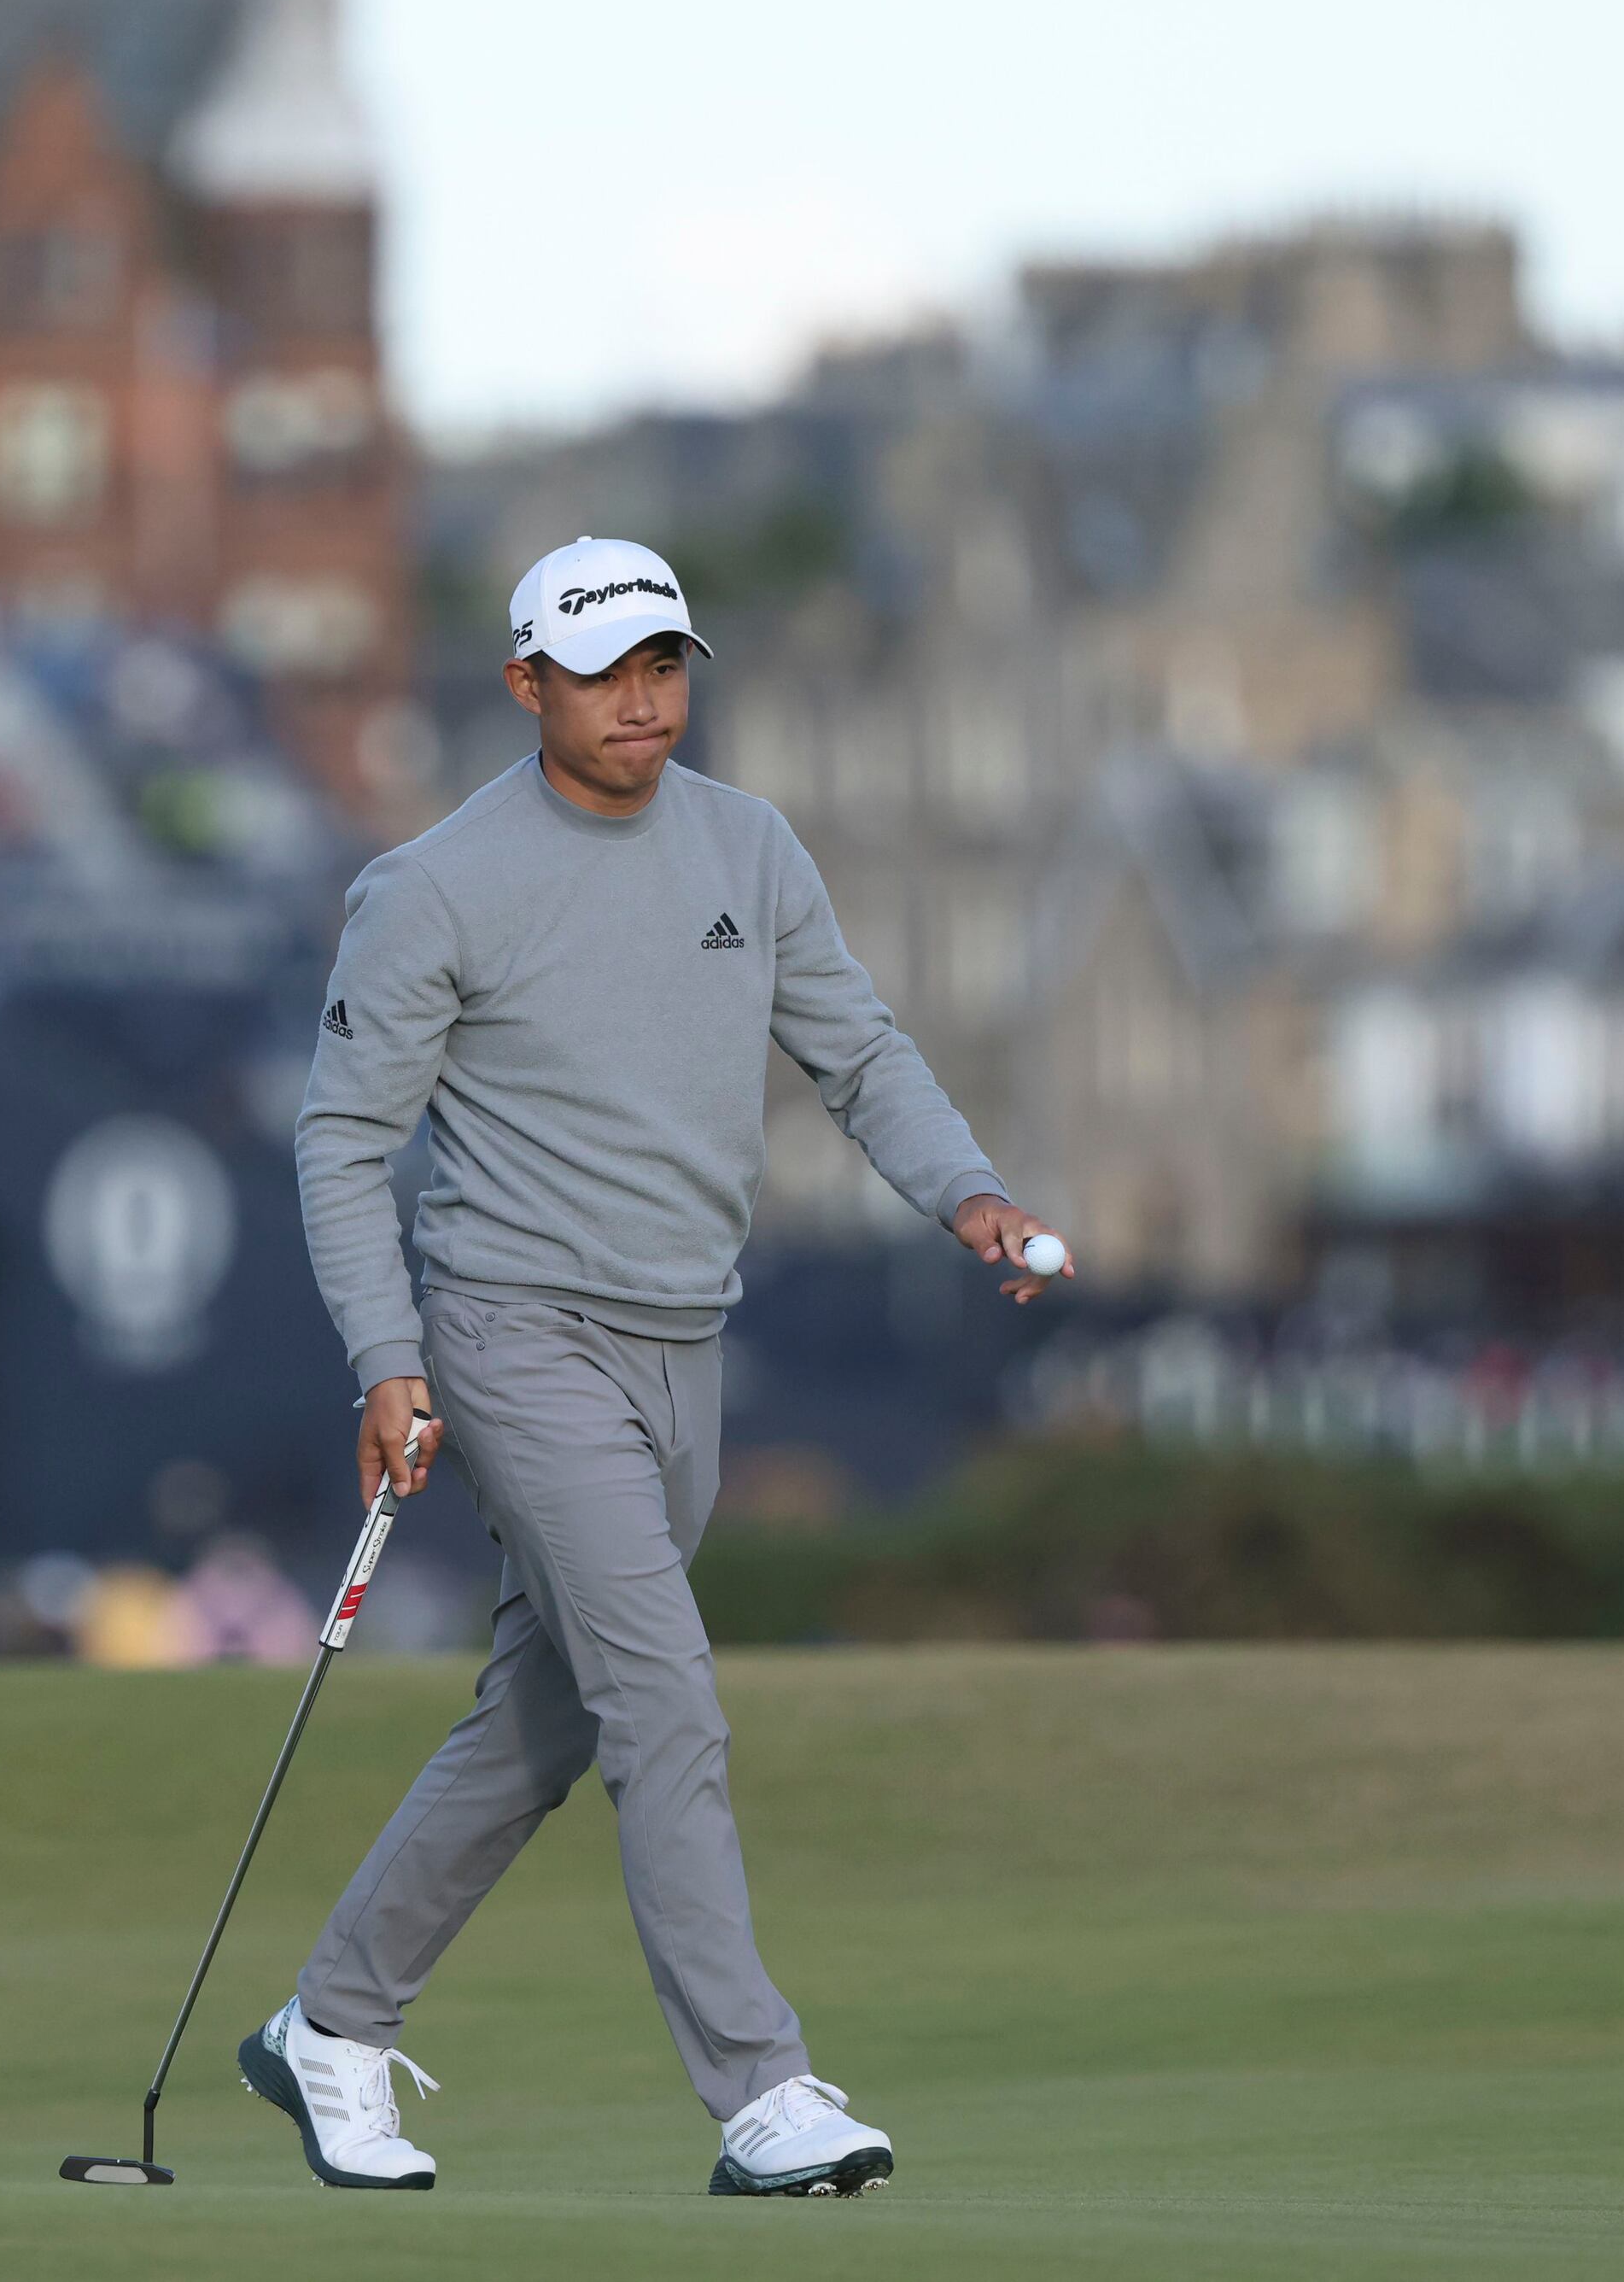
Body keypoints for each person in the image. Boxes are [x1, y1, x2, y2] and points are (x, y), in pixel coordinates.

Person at [252, 535, 1071, 2202]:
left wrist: (967, 1192)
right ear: (523, 684)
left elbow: (860, 1050)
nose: (645, 699)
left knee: (545, 1717)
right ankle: (761, 2090)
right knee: (665, 1699)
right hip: (508, 1331)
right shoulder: (435, 884)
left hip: (681, 1339)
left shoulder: (746, 846)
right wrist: (387, 1360)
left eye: (666, 664)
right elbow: (343, 1145)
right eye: (608, 669)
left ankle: (328, 2024)